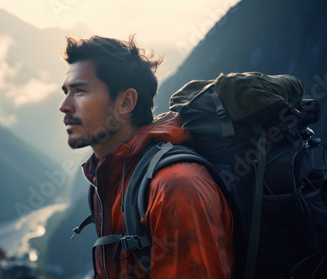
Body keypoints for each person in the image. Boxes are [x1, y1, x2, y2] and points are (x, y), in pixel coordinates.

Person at [58, 35, 234, 279]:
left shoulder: (176, 185)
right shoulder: (109, 176)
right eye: (66, 91)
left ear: (126, 102)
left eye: (80, 91)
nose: (64, 106)